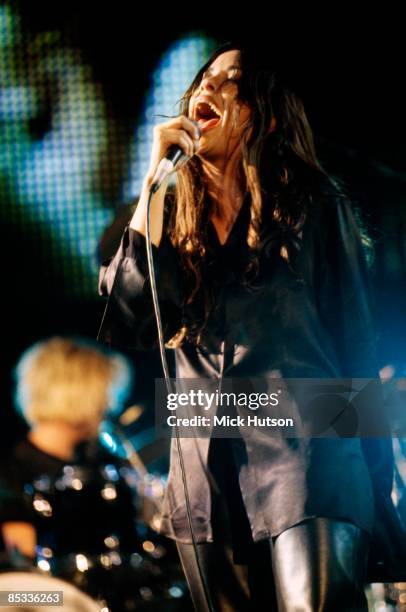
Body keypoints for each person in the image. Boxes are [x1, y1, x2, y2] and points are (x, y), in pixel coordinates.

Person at [98, 42, 395, 611]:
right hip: (204, 471)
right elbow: (127, 318)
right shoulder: (167, 211)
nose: (206, 88)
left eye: (229, 80)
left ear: (267, 113)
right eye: (202, 79)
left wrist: (377, 489)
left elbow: (357, 345)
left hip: (308, 453)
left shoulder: (313, 207)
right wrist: (151, 185)